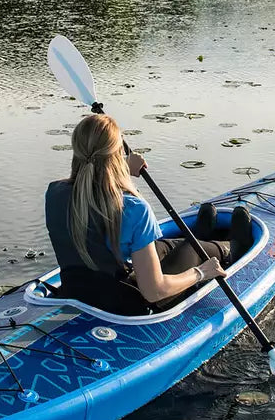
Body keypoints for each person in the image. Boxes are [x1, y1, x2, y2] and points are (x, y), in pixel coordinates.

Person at [45, 113, 254, 316]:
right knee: (192, 248)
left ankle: (200, 235)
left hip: (79, 290)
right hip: (127, 302)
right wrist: (201, 273)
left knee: (161, 246)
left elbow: (91, 175)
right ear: (117, 154)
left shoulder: (54, 193)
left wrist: (122, 167)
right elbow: (154, 291)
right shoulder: (134, 209)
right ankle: (231, 249)